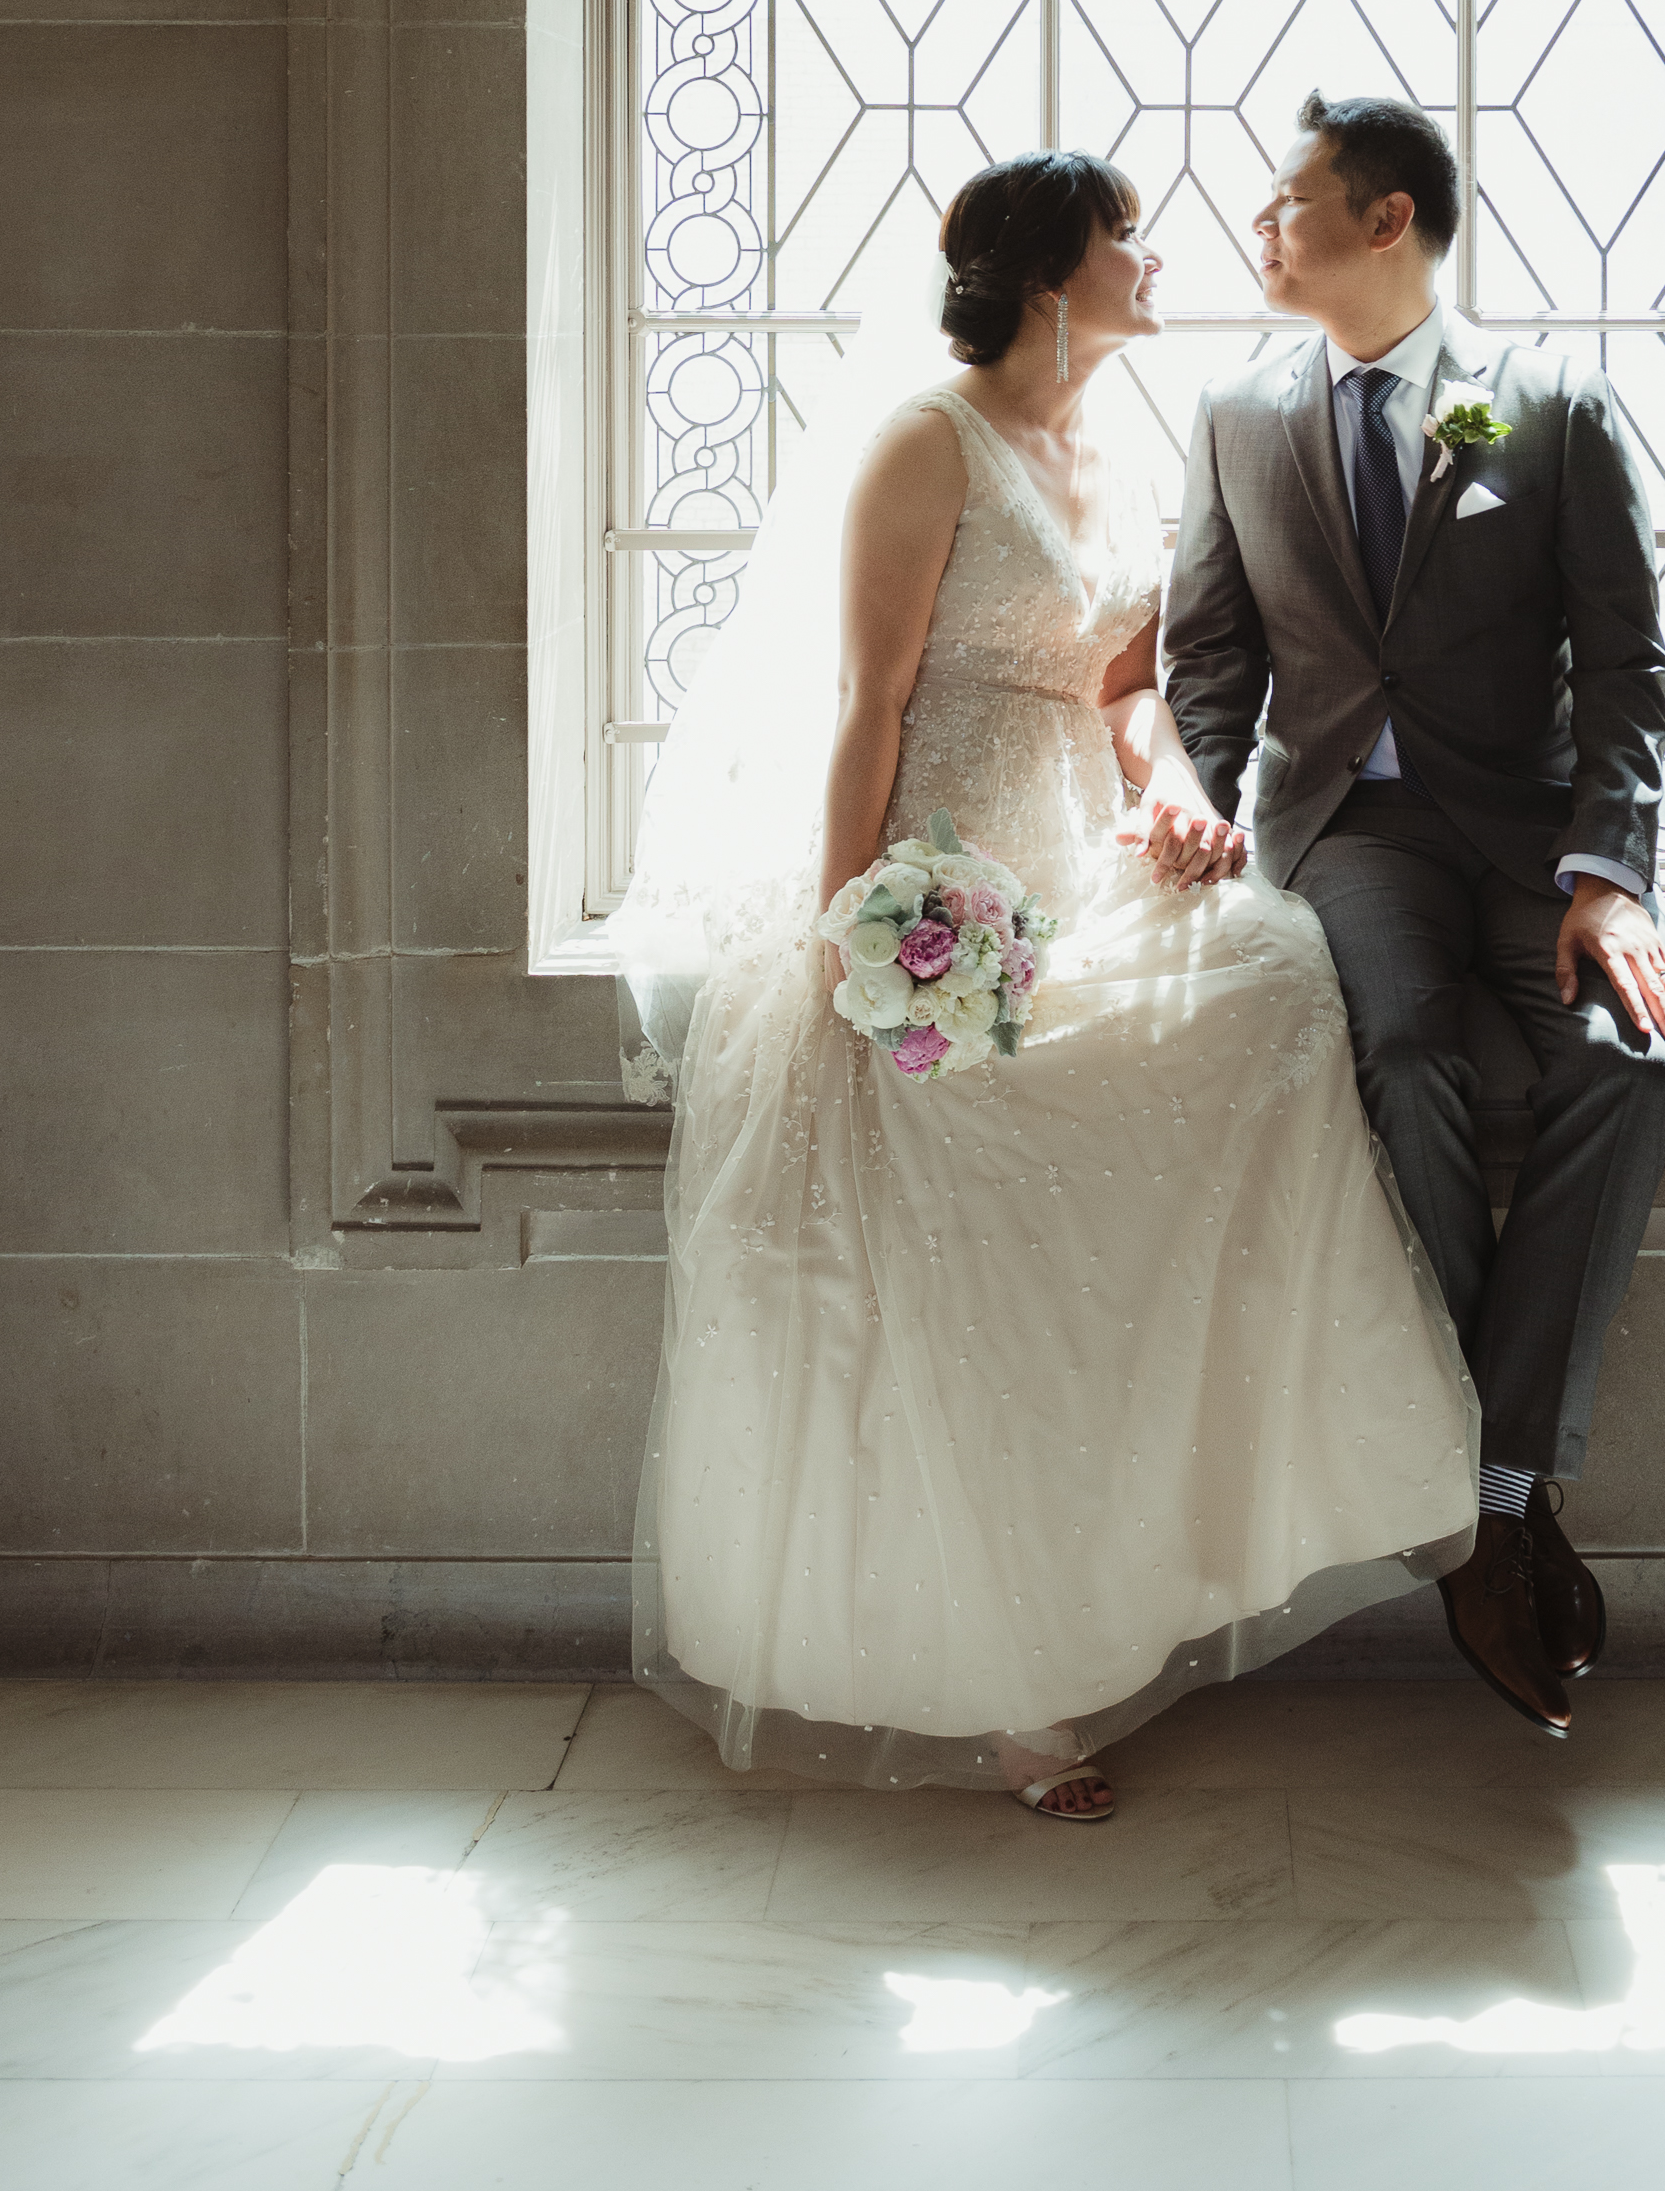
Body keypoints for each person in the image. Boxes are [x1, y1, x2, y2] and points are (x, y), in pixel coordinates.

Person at [614, 152, 1476, 1820]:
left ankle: (1184, 1537)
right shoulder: (923, 443)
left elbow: (1121, 688)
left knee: (1278, 977)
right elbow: (866, 704)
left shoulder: (1111, 448)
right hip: (934, 878)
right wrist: (849, 932)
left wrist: (1170, 788)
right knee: (966, 1243)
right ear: (1043, 274)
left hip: (1076, 861)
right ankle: (1016, 1693)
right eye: (1125, 236)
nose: (1154, 256)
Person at [1162, 92, 1665, 1738]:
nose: (1260, 225)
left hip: (1535, 834)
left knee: (1631, 1054)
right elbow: (1209, 658)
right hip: (1351, 829)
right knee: (1397, 1049)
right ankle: (1500, 1486)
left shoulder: (1548, 400)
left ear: (1387, 221)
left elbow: (1625, 662)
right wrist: (1196, 796)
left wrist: (1607, 872)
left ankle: (1492, 1476)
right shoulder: (1239, 412)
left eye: (1288, 200)